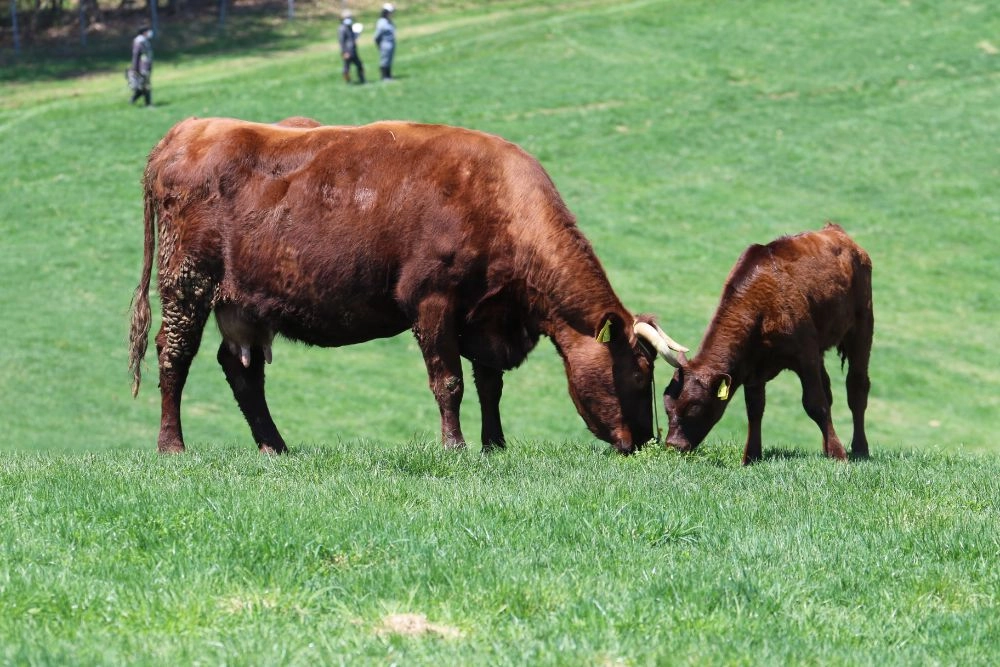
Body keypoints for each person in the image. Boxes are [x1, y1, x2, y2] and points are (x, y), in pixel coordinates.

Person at [128, 26, 154, 106]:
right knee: (146, 86)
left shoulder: (144, 41)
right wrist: (135, 68)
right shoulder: (139, 42)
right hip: (141, 68)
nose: (149, 33)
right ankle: (148, 104)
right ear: (144, 32)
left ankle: (132, 101)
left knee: (142, 86)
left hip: (145, 67)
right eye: (148, 31)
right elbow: (136, 56)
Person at [338, 11, 365, 84]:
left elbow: (353, 38)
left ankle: (362, 79)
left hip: (353, 50)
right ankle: (348, 81)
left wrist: (358, 34)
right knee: (346, 68)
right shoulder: (342, 28)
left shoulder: (350, 27)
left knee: (360, 65)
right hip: (347, 51)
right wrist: (344, 52)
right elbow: (342, 42)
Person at [373, 3, 396, 80]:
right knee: (384, 61)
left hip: (391, 43)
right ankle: (384, 77)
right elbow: (376, 36)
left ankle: (389, 75)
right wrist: (380, 45)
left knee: (389, 60)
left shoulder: (389, 21)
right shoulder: (381, 22)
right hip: (385, 44)